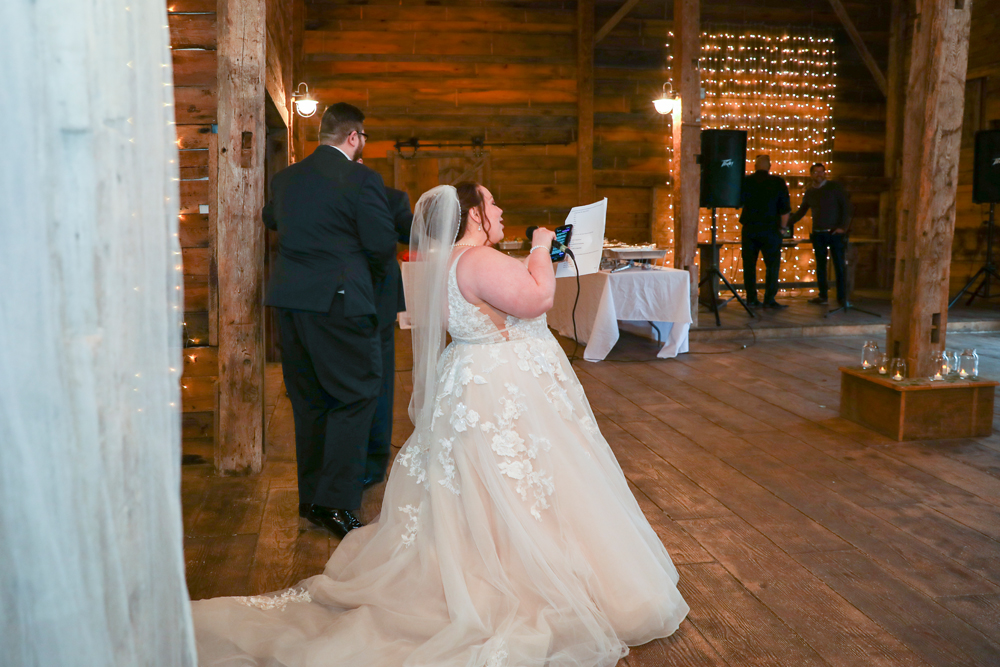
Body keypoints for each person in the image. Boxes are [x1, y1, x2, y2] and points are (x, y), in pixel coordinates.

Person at [192, 182, 690, 667]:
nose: (500, 212)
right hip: (503, 387)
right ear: (473, 214)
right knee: (522, 482)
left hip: (474, 379)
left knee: (485, 485)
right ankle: (524, 576)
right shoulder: (477, 259)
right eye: (492, 203)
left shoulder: (450, 262)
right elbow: (537, 300)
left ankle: (487, 559)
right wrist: (542, 246)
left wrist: (538, 260)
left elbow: (510, 298)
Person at [263, 102, 398, 538]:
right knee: (356, 395)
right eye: (363, 138)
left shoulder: (286, 179)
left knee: (310, 402)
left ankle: (312, 500)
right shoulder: (361, 179)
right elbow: (381, 245)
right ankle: (337, 503)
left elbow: (270, 218)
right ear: (353, 137)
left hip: (290, 304)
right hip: (340, 303)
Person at [364, 185, 414, 489]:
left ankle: (374, 459)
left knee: (380, 380)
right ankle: (366, 459)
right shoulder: (388, 196)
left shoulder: (391, 197)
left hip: (377, 299)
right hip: (347, 297)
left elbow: (411, 233)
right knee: (374, 379)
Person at [788, 162, 852, 306]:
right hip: (818, 234)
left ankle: (842, 298)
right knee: (820, 266)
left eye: (821, 172)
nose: (819, 175)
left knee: (839, 265)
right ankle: (823, 296)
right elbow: (801, 211)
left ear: (825, 173)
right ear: (811, 175)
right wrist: (785, 223)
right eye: (816, 172)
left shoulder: (834, 187)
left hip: (835, 233)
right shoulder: (810, 192)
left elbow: (846, 207)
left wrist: (842, 228)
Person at [739, 154, 791, 309]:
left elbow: (738, 202)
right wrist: (783, 228)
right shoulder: (778, 182)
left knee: (749, 265)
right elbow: (785, 209)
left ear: (755, 166)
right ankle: (769, 299)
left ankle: (751, 298)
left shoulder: (746, 181)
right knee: (772, 266)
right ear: (769, 167)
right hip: (771, 229)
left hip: (750, 228)